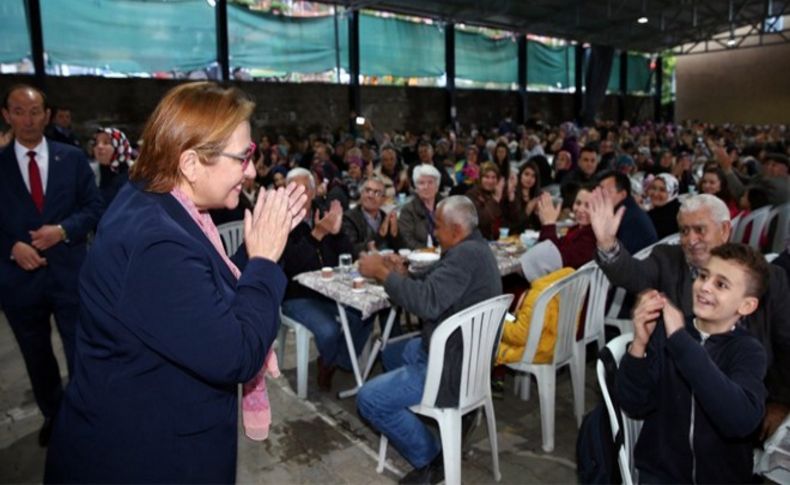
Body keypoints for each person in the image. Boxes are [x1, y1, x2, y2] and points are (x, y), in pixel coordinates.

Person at [43, 82, 307, 483]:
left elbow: (201, 284)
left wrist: (262, 247)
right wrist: (266, 262)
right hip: (144, 458)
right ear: (191, 164)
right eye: (243, 157)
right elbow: (236, 355)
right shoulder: (156, 243)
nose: (252, 171)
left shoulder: (159, 201)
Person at [589, 192, 790, 442]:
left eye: (699, 230)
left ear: (725, 230)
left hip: (745, 403)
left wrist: (781, 402)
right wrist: (608, 244)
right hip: (679, 400)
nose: (690, 239)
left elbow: (786, 345)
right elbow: (633, 274)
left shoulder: (766, 279)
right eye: (684, 231)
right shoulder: (668, 259)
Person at [356, 195, 502, 484]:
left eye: (438, 227)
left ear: (456, 231)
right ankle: (449, 420)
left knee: (368, 399)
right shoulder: (475, 247)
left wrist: (383, 273)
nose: (434, 232)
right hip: (469, 357)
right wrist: (403, 270)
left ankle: (434, 458)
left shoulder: (464, 255)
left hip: (450, 366)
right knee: (393, 352)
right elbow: (439, 278)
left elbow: (427, 302)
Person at [0, 84, 103, 447]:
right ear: (6, 115)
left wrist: (62, 230)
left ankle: (83, 415)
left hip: (69, 274)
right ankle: (53, 415)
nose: (27, 120)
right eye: (18, 111)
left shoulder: (71, 158)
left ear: (46, 115)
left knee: (81, 348)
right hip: (19, 281)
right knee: (36, 354)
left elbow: (93, 207)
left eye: (34, 112)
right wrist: (12, 246)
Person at [617, 243, 768, 483]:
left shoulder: (748, 351)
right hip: (662, 473)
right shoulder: (668, 332)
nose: (704, 286)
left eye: (721, 284)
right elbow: (634, 404)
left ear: (746, 305)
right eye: (703, 276)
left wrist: (680, 342)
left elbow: (740, 420)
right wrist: (639, 345)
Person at [279, 167, 372, 392]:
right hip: (295, 295)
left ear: (313, 192)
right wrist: (317, 235)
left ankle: (335, 360)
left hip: (329, 290)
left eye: (305, 189)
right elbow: (290, 267)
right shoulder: (281, 220)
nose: (300, 195)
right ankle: (332, 360)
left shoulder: (323, 212)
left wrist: (337, 232)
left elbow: (346, 256)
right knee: (329, 330)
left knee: (365, 314)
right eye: (294, 189)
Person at [596, 170, 657, 254]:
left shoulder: (630, 218)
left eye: (607, 192)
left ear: (623, 194)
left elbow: (617, 258)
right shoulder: (628, 211)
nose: (601, 195)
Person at [342, 176, 403, 257]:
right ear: (361, 194)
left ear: (383, 199)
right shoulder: (349, 218)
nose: (370, 196)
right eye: (367, 190)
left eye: (377, 192)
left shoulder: (385, 217)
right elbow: (351, 250)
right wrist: (379, 236)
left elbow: (400, 250)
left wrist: (395, 234)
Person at [399, 164, 443, 249]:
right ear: (416, 188)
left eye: (430, 182)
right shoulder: (408, 210)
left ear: (437, 187)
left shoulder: (446, 206)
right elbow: (407, 240)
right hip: (422, 256)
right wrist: (430, 252)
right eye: (421, 183)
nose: (426, 187)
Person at [92, 127, 133, 208]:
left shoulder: (136, 172)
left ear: (119, 146)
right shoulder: (90, 171)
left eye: (106, 142)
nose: (99, 146)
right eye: (96, 143)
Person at [465, 161, 503, 240]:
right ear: (480, 178)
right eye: (486, 177)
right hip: (479, 240)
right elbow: (482, 220)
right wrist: (495, 200)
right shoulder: (472, 195)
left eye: (493, 177)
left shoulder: (499, 192)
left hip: (500, 239)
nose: (490, 181)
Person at [507, 161, 542, 234]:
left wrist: (538, 214)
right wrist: (528, 209)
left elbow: (541, 225)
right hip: (516, 235)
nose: (529, 179)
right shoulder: (512, 194)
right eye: (526, 174)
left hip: (535, 235)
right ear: (520, 175)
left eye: (533, 176)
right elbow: (513, 223)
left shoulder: (538, 195)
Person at [645, 173, 681, 239]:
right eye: (653, 188)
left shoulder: (674, 217)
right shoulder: (678, 207)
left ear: (672, 192)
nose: (655, 194)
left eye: (662, 190)